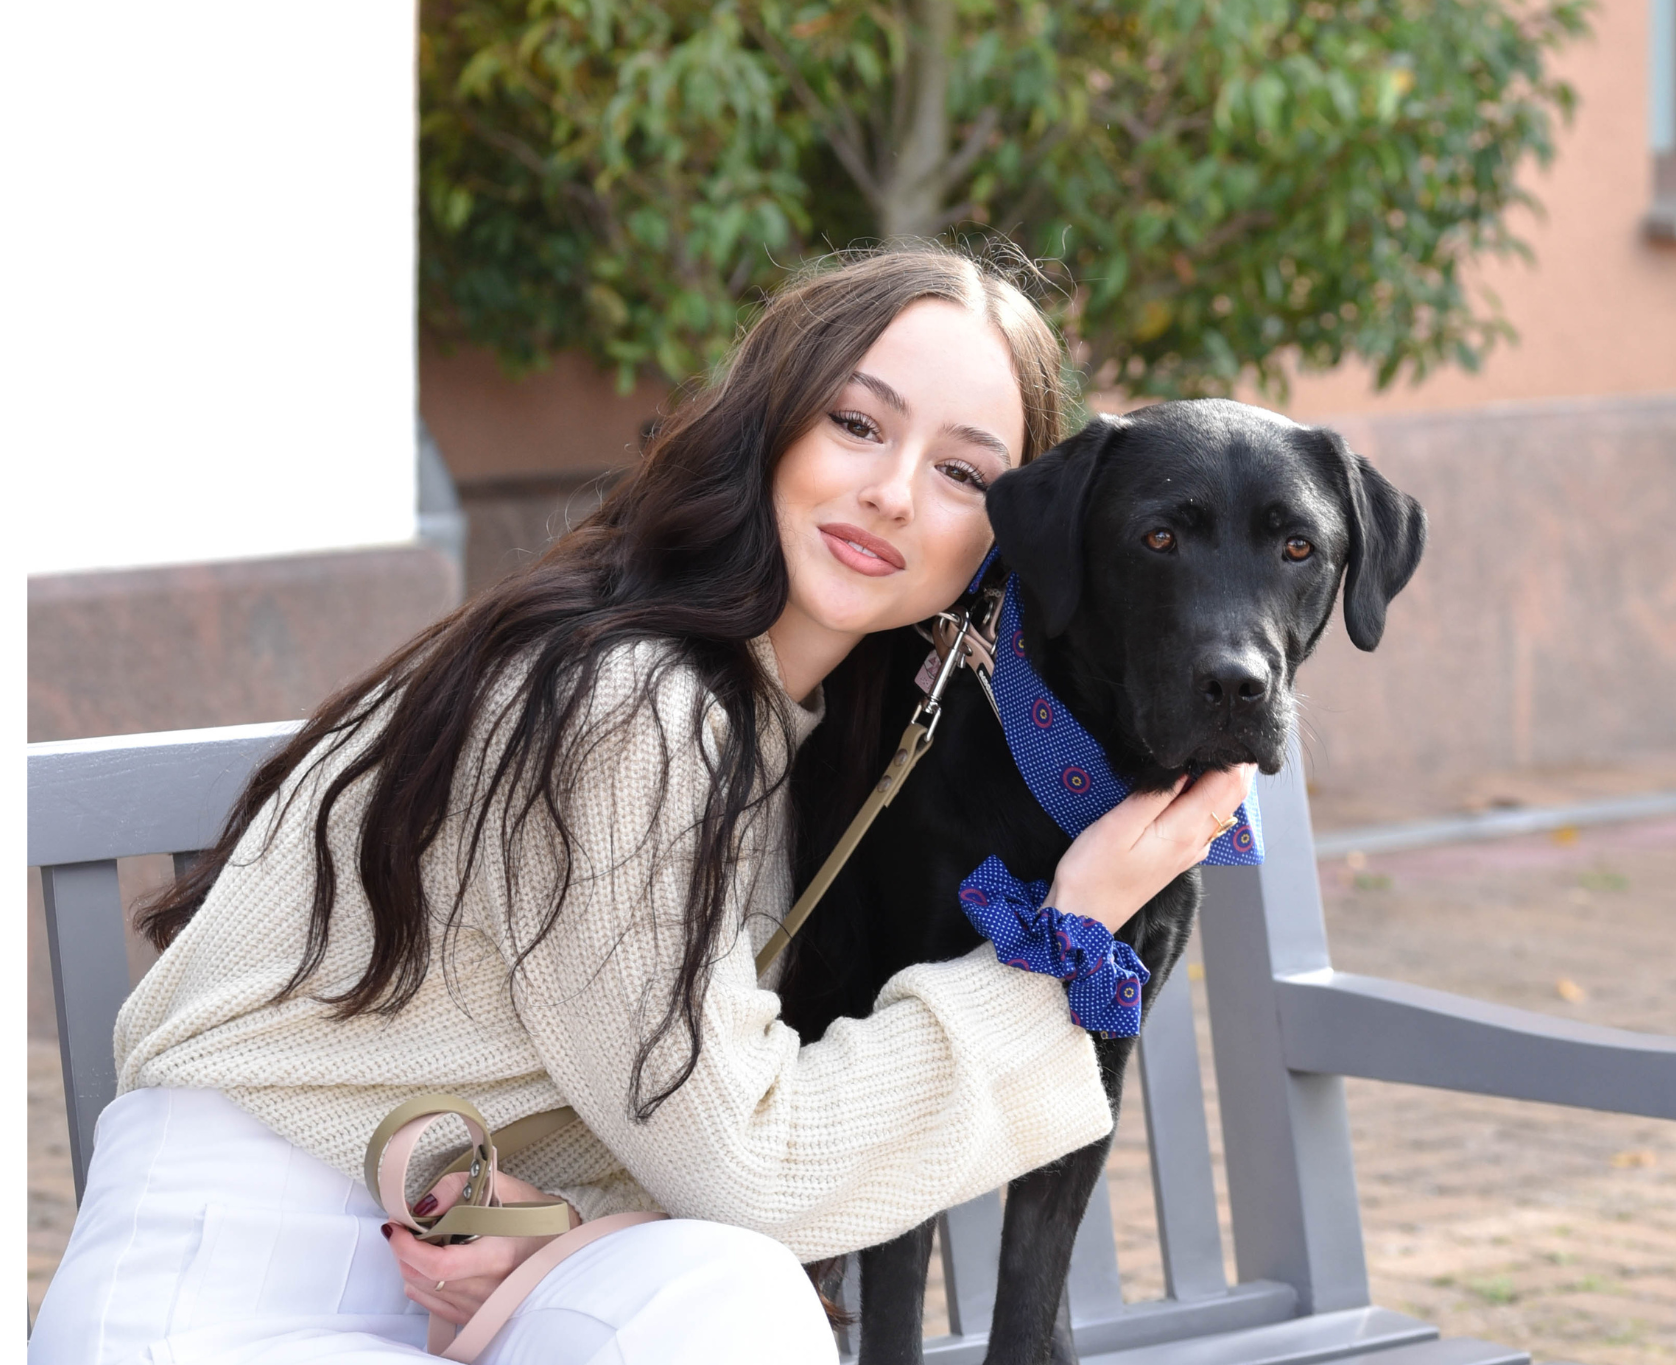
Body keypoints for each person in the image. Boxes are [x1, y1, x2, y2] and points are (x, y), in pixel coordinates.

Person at [31, 245, 1254, 1365]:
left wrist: (551, 1235)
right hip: (236, 1292)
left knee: (735, 1305)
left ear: (999, 546)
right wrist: (1067, 931)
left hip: (465, 1246)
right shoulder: (630, 703)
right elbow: (751, 1164)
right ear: (767, 426)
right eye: (854, 423)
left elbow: (609, 1091)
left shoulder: (807, 737)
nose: (890, 493)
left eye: (957, 471)